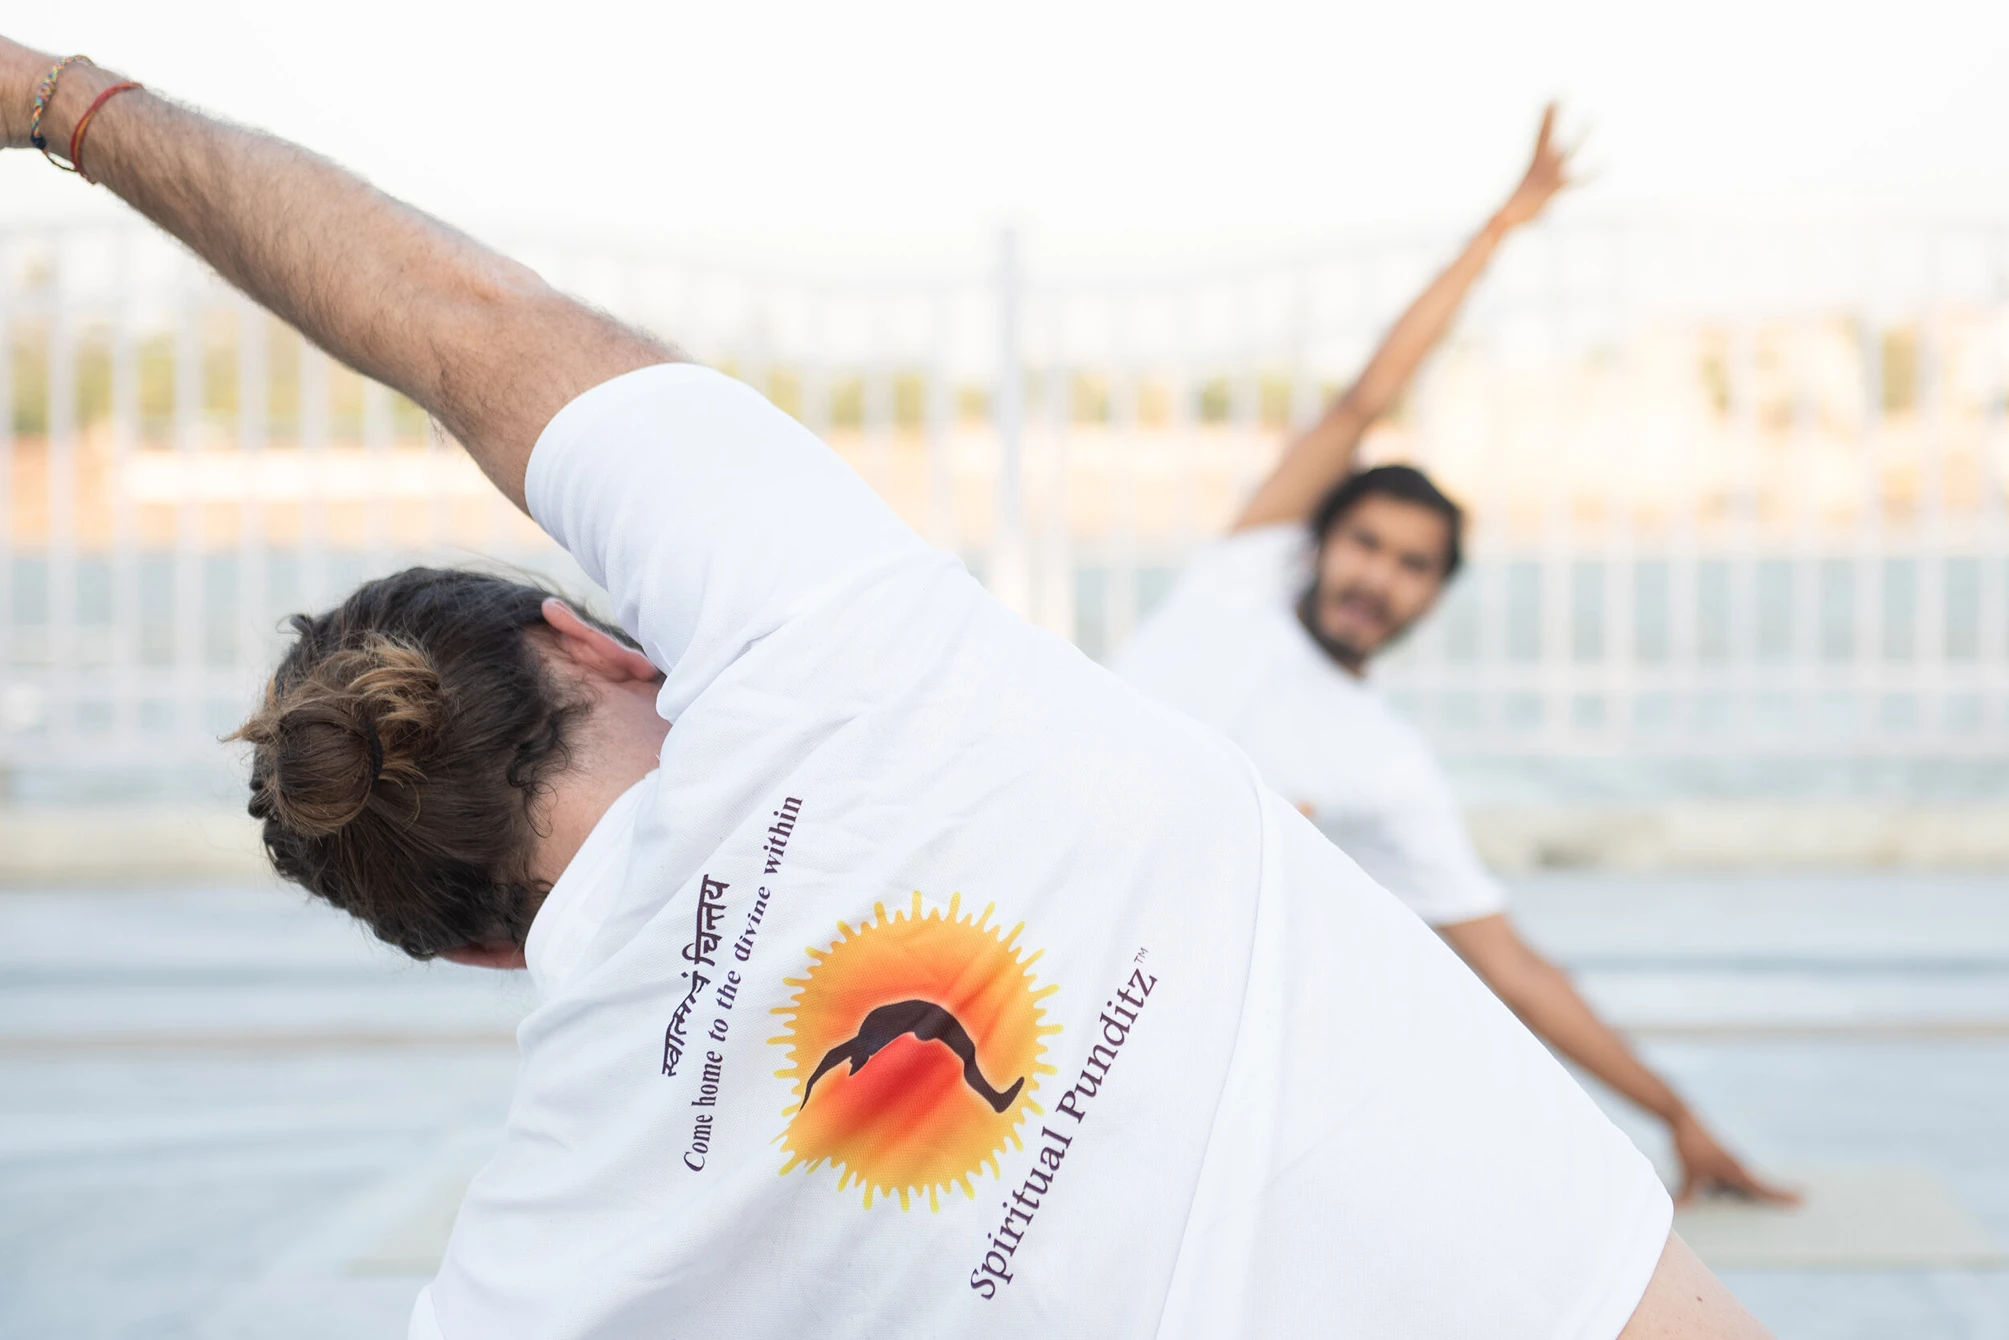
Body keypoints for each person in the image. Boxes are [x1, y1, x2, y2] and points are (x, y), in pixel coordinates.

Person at [2, 41, 1772, 1339]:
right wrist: (61, 105)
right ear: (598, 642)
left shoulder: (565, 1223)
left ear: (473, 952)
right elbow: (464, 331)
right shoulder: (820, 627)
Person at [1115, 107, 1794, 1208]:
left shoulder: (1383, 763)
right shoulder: (1242, 573)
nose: (1377, 578)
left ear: (1434, 593)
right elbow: (1366, 396)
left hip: (1138, 997)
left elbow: (1513, 971)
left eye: (1412, 566)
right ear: (1319, 538)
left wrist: (1672, 1111)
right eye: (1365, 543)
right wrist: (1503, 226)